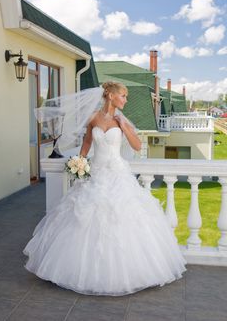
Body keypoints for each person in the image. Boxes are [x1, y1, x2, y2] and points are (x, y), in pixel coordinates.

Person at [24, 81, 186, 296]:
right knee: (84, 218)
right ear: (110, 96)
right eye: (123, 96)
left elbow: (137, 146)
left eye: (126, 97)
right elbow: (87, 144)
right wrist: (78, 164)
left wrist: (125, 126)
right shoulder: (93, 118)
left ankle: (126, 273)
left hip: (118, 174)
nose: (125, 100)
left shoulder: (121, 120)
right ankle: (79, 271)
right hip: (96, 173)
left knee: (121, 218)